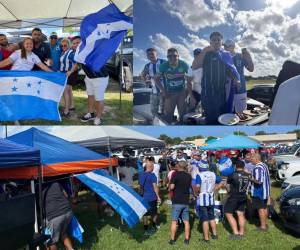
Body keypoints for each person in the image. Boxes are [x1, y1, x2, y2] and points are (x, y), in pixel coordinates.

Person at [192, 32, 240, 124]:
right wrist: (205, 50)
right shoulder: (206, 54)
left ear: (222, 42)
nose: (216, 42)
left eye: (218, 40)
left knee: (222, 119)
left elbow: (230, 70)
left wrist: (235, 79)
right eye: (214, 40)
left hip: (221, 93)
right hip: (208, 94)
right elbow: (194, 66)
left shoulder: (225, 55)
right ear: (210, 42)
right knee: (211, 120)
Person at [155, 48, 194, 123]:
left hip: (182, 93)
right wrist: (164, 91)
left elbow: (191, 79)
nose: (172, 58)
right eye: (170, 56)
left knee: (183, 114)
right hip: (169, 93)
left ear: (178, 56)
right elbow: (156, 79)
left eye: (174, 56)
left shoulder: (184, 64)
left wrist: (191, 96)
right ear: (167, 57)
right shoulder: (163, 66)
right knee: (168, 115)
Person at [224, 39, 254, 120]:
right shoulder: (223, 57)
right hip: (228, 89)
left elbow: (251, 69)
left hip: (240, 89)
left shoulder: (240, 56)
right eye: (225, 46)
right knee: (229, 113)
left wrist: (249, 57)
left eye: (228, 46)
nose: (226, 47)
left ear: (233, 46)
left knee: (242, 113)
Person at [194, 161, 222, 243]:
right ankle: (215, 235)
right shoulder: (213, 174)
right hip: (211, 198)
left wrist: (196, 193)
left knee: (205, 219)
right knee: (212, 217)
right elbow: (221, 182)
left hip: (203, 199)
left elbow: (197, 187)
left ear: (200, 167)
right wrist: (216, 188)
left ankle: (206, 239)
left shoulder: (199, 175)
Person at [42, 181, 74, 250]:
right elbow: (66, 195)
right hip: (68, 211)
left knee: (50, 241)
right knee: (63, 233)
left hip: (54, 217)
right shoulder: (56, 183)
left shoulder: (37, 189)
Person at [224, 160, 250, 240]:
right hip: (243, 196)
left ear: (235, 166)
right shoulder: (247, 175)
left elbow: (227, 187)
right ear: (243, 167)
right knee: (240, 214)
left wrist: (228, 191)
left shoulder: (232, 175)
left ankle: (236, 234)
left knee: (228, 213)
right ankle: (241, 233)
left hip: (234, 196)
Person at [169, 161, 192, 245]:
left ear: (179, 166)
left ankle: (172, 240)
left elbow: (172, 187)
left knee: (174, 221)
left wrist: (170, 186)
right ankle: (186, 240)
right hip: (185, 200)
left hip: (177, 200)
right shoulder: (188, 176)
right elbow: (189, 186)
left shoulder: (175, 175)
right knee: (186, 221)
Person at [138, 156, 161, 235]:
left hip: (143, 197)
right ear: (151, 167)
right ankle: (154, 226)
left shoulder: (141, 175)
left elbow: (140, 186)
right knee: (154, 213)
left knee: (145, 214)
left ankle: (145, 229)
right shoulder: (152, 175)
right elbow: (155, 187)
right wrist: (158, 196)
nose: (153, 168)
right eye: (153, 167)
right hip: (152, 197)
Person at [141, 48, 166, 115]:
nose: (150, 55)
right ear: (147, 56)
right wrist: (145, 82)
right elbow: (142, 74)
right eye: (148, 54)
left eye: (152, 54)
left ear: (156, 54)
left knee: (164, 112)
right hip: (154, 92)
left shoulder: (163, 62)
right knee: (153, 111)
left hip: (164, 91)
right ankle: (154, 123)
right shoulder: (147, 66)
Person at [250, 153, 271, 231]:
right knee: (264, 207)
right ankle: (265, 223)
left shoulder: (258, 168)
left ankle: (263, 227)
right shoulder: (264, 165)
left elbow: (259, 181)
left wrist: (250, 179)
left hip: (259, 192)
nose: (250, 161)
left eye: (252, 159)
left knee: (260, 209)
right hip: (266, 191)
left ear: (256, 159)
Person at [59, 38, 78, 117]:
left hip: (69, 73)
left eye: (65, 45)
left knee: (65, 91)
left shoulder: (70, 52)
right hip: (65, 73)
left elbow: (76, 63)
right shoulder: (64, 52)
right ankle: (72, 106)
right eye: (62, 45)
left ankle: (66, 111)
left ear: (68, 45)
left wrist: (70, 72)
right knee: (69, 91)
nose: (63, 46)